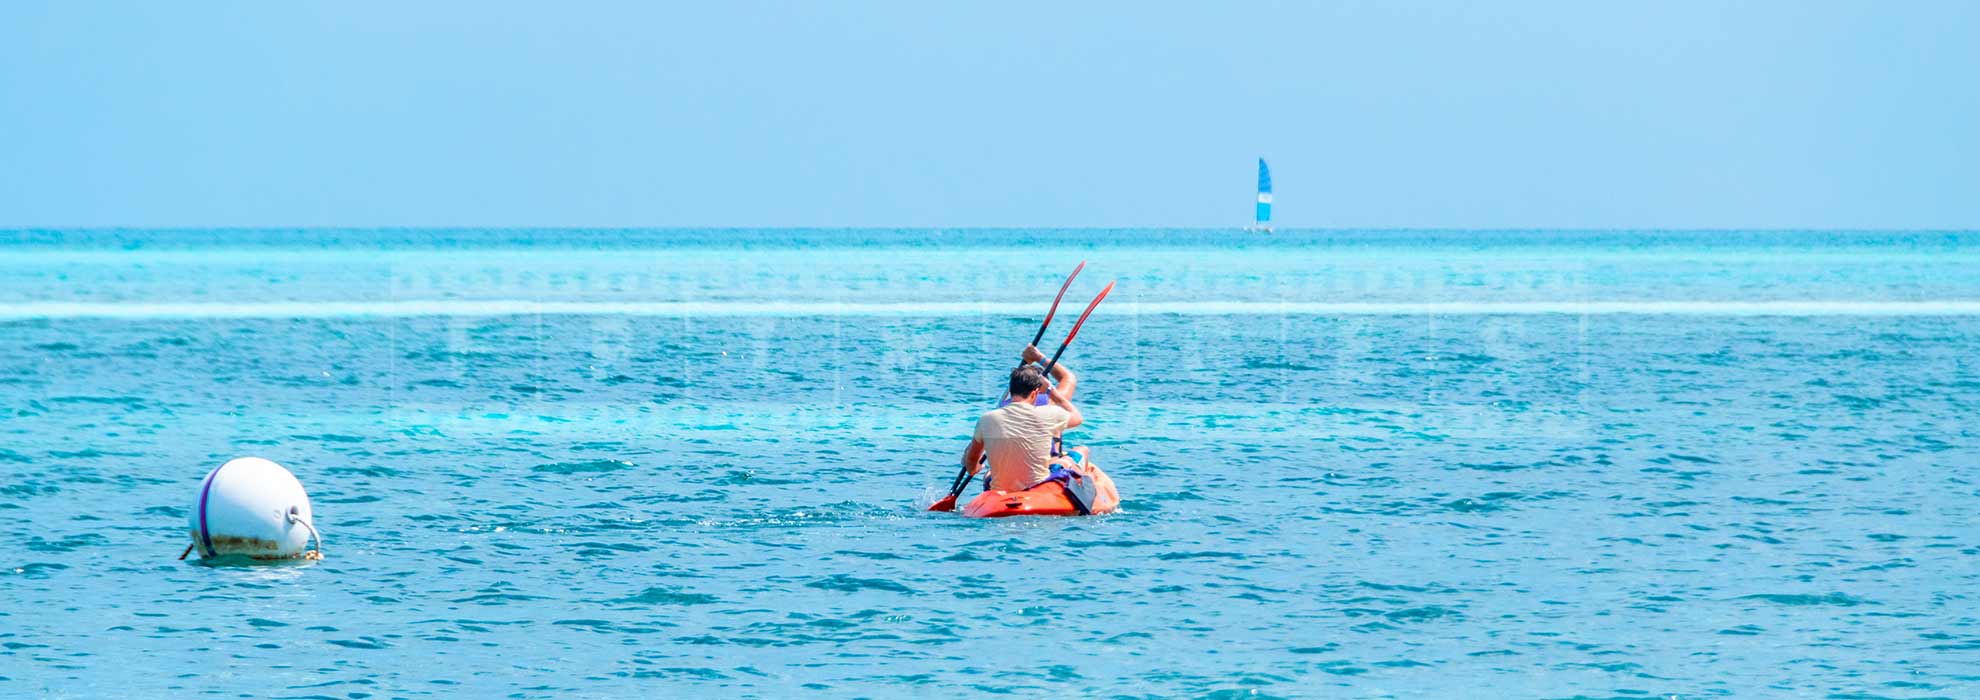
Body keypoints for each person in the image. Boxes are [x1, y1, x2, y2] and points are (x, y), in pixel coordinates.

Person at [959, 345, 1082, 492]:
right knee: (1080, 451)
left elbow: (971, 460)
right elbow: (1068, 378)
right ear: (1037, 391)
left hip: (1004, 484)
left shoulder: (990, 417)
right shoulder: (1052, 407)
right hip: (1040, 481)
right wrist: (1039, 358)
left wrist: (972, 466)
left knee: (989, 473)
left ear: (1011, 390)